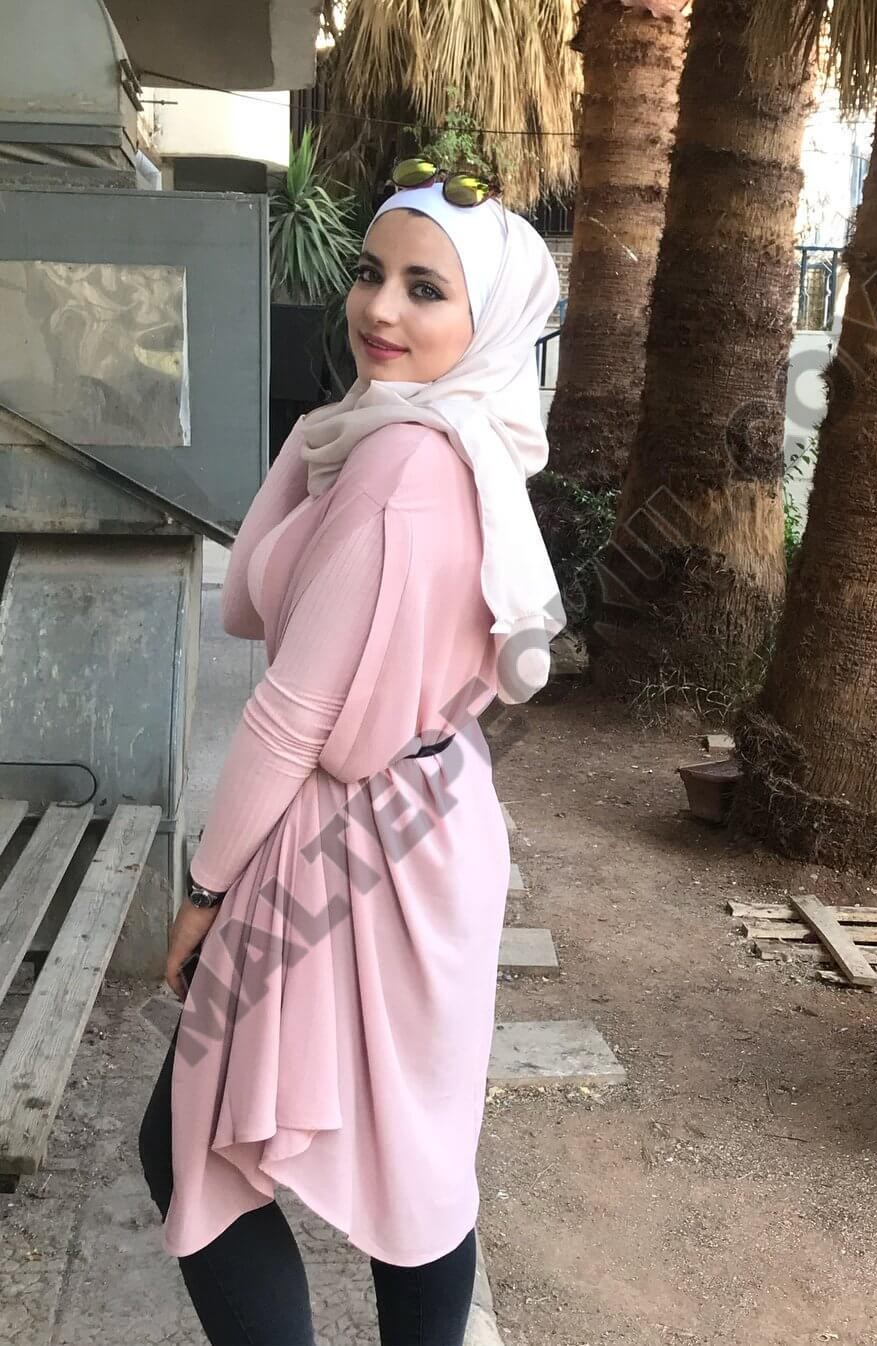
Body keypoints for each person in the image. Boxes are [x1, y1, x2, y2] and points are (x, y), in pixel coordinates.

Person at [137, 170, 567, 1346]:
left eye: (426, 288)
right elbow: (257, 598)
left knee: (191, 1144)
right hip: (428, 819)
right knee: (415, 1162)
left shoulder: (400, 470)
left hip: (347, 841)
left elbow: (288, 715)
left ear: (487, 319)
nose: (380, 307)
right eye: (371, 274)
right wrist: (318, 439)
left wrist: (205, 889)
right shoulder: (443, 440)